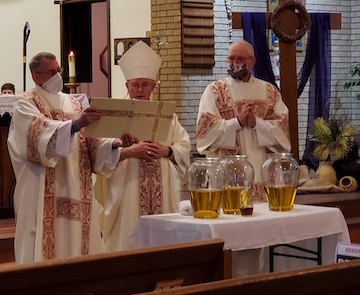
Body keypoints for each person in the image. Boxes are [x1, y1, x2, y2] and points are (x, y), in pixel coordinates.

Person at [7, 52, 132, 263]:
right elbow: (38, 134)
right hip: (41, 186)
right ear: (35, 76)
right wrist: (75, 124)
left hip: (76, 185)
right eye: (51, 72)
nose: (58, 76)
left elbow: (88, 142)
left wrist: (113, 143)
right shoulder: (26, 102)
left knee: (76, 241)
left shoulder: (74, 103)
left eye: (59, 71)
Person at [94, 42, 190, 253]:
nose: (140, 90)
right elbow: (97, 152)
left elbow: (183, 145)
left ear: (153, 87)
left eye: (145, 85)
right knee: (128, 239)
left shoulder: (167, 115)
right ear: (127, 85)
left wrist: (167, 151)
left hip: (161, 190)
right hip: (126, 191)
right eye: (135, 84)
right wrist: (128, 152)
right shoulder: (114, 113)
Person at [195, 40, 291, 197]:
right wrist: (237, 123)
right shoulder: (215, 91)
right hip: (227, 177)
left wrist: (256, 124)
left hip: (262, 173)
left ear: (252, 61)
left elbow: (283, 130)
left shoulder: (269, 91)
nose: (234, 63)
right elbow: (204, 132)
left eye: (240, 59)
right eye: (231, 58)